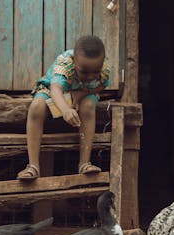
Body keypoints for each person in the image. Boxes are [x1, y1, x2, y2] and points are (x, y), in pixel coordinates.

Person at [17, 35, 111, 180]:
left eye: (95, 72)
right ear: (75, 62)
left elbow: (102, 85)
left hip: (83, 92)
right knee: (36, 107)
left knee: (88, 105)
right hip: (52, 91)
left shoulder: (103, 68)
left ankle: (85, 163)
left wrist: (82, 93)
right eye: (84, 72)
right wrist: (65, 110)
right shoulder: (65, 62)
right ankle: (33, 166)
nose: (91, 76)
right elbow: (55, 89)